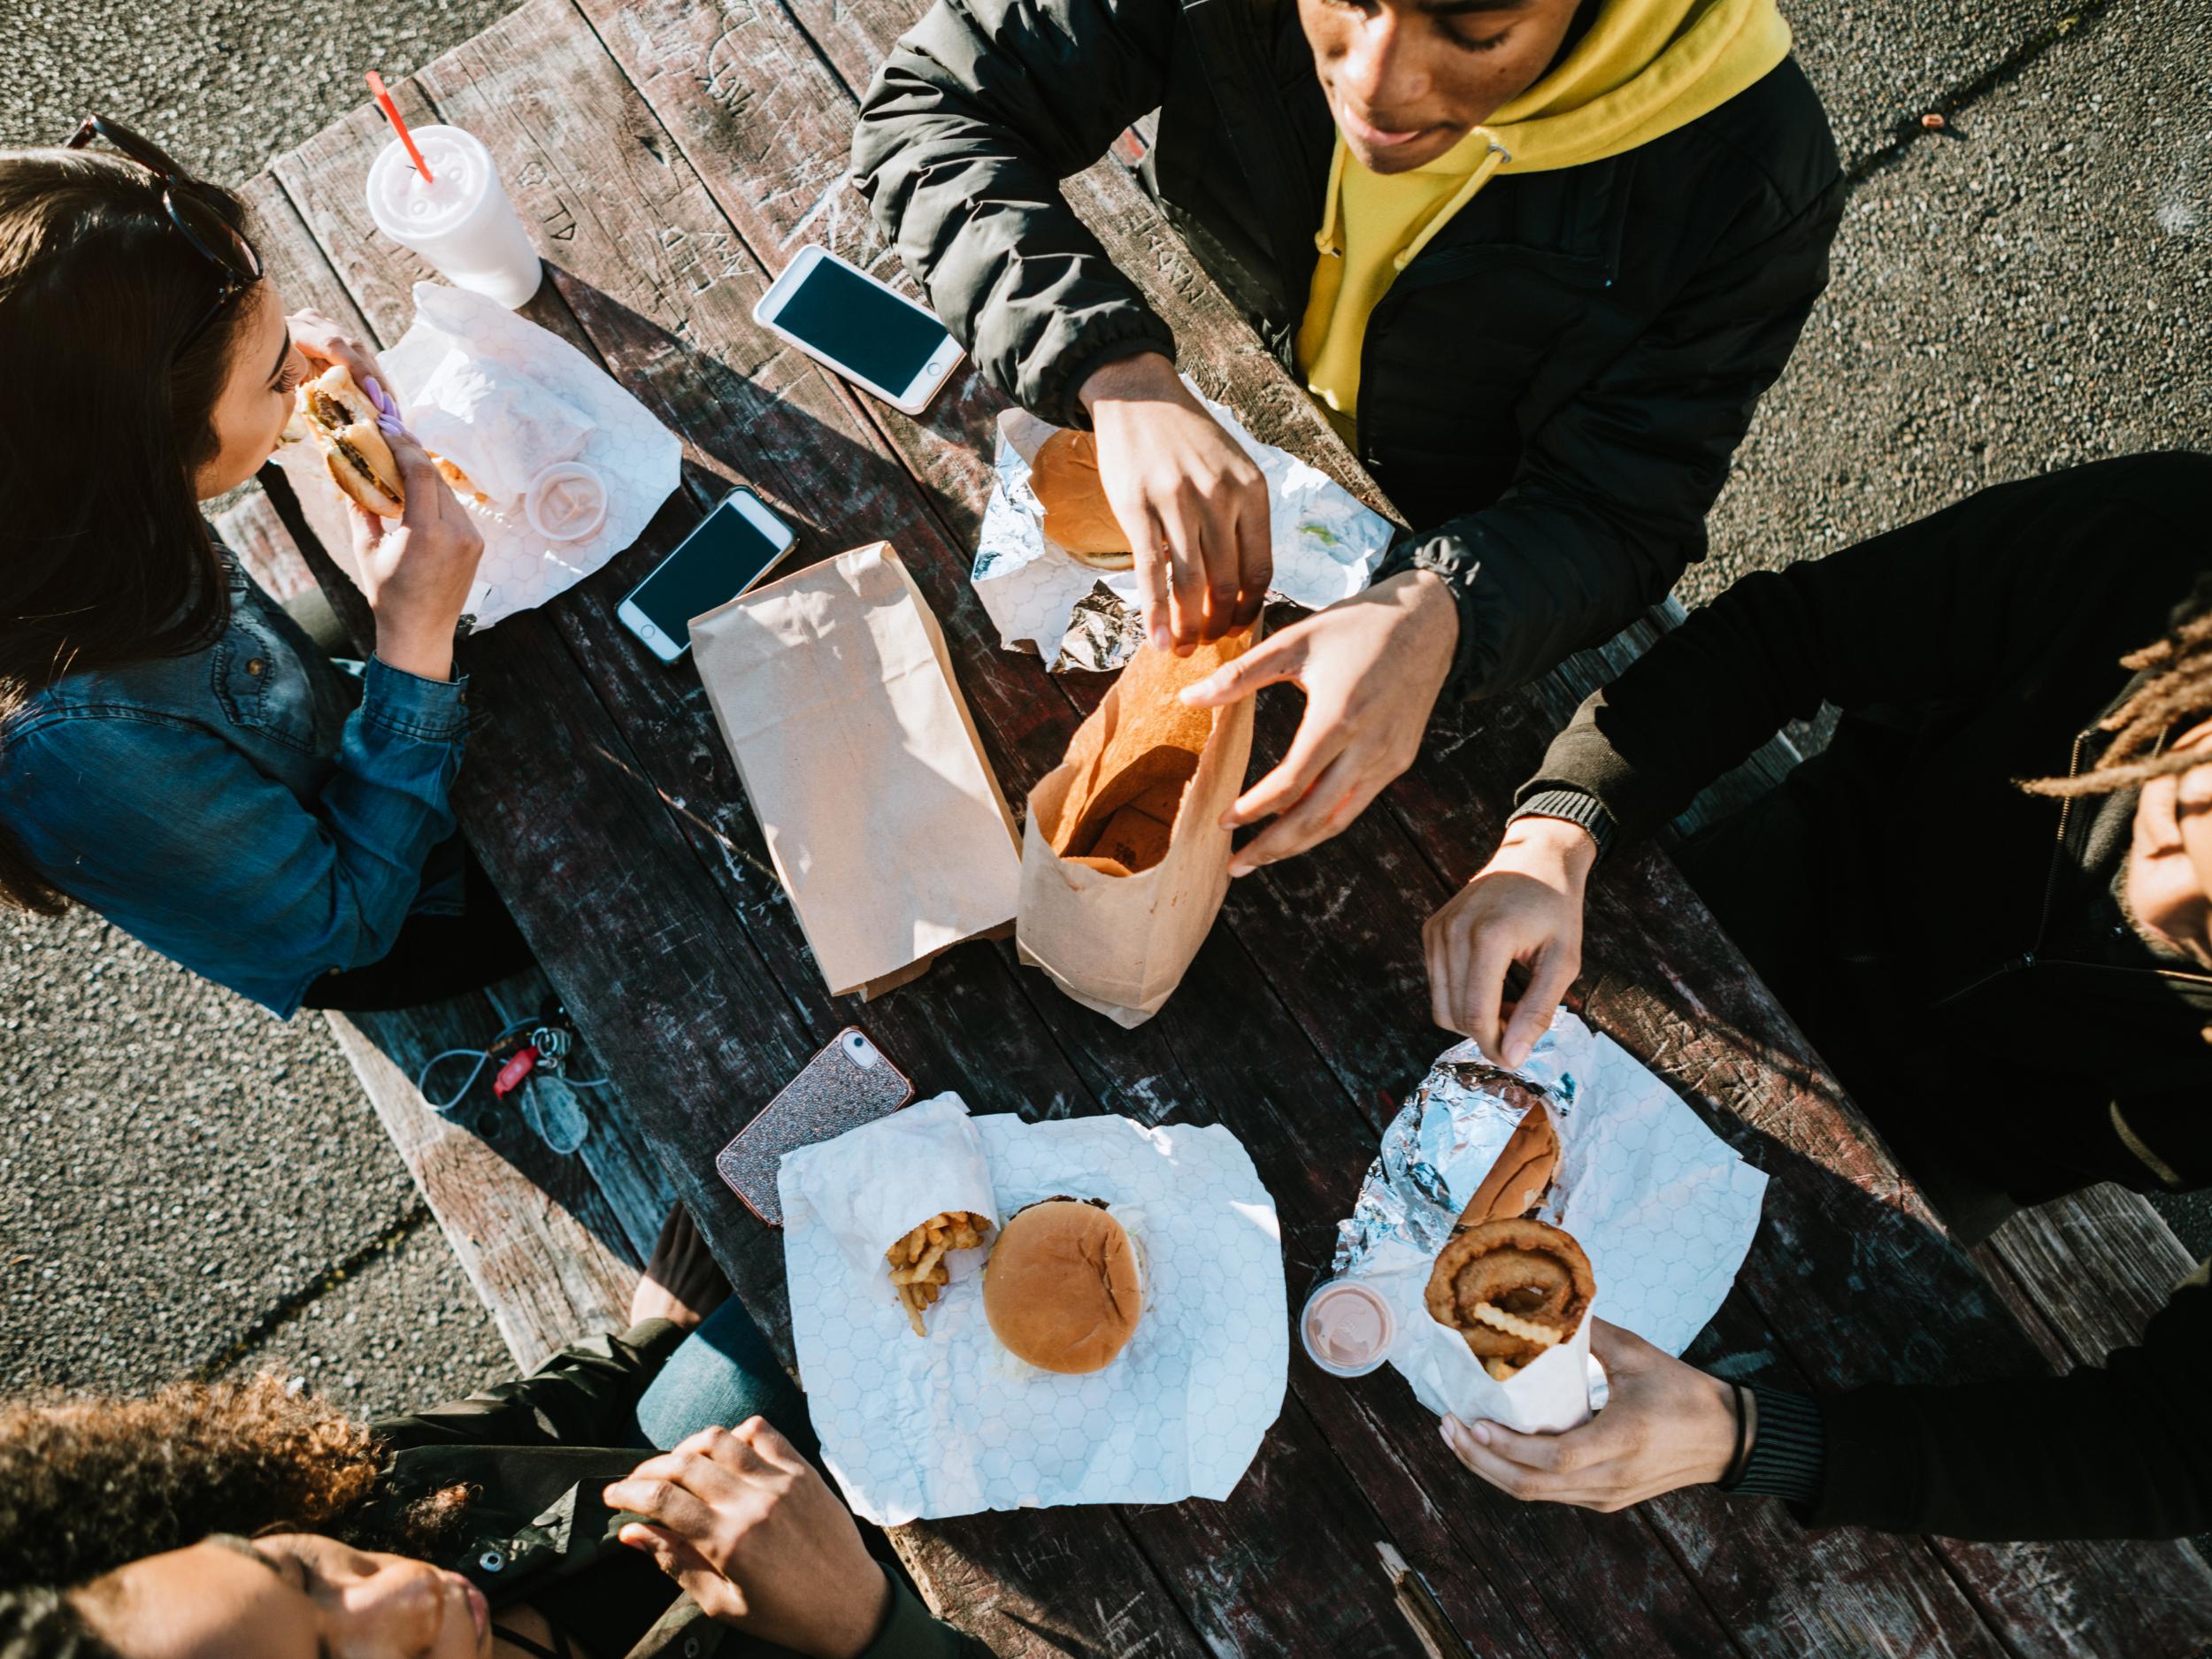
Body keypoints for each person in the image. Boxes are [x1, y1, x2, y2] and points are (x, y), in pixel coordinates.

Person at [854, 0, 1841, 873]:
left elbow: (1619, 508)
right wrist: (1113, 371)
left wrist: (1441, 609)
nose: (1375, 83)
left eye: (1475, 29)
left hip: (1458, 529)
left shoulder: (1748, 176)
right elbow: (932, 108)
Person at [1423, 452, 2212, 1539]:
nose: (2171, 863)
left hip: (1930, 1173)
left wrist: (1749, 1439)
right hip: (1764, 899)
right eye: (2188, 768)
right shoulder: (2164, 546)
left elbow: (2173, 1446)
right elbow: (1798, 630)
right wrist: (1556, 829)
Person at [0, 118, 529, 1017]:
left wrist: (277, 380)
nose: (300, 370)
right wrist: (411, 639)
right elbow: (349, 921)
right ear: (138, 456)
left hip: (300, 704)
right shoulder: (71, 750)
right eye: (273, 377)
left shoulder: (55, 503)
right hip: (409, 914)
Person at [0, 1208, 987, 1659]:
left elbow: (525, 1424)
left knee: (812, 1285)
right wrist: (866, 1630)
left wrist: (641, 1339)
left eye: (299, 1574)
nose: (399, 1590)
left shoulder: (353, 1503)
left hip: (761, 1510)